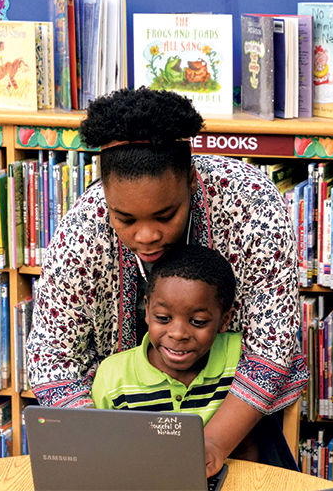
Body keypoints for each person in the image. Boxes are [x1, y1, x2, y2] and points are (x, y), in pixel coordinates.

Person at [27, 87, 307, 477]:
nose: (145, 236)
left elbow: (273, 347)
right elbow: (50, 359)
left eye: (164, 215)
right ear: (105, 197)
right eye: (125, 219)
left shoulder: (252, 204)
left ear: (191, 181)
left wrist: (212, 444)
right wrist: (104, 449)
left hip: (236, 416)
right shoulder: (82, 228)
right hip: (117, 421)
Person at [91, 245, 241, 425]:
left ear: (225, 320)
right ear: (147, 310)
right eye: (163, 318)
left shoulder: (240, 357)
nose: (177, 334)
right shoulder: (113, 377)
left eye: (198, 322)